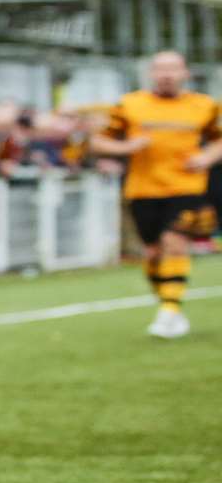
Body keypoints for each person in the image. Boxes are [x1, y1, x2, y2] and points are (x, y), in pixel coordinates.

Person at [92, 50, 222, 339]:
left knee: (174, 242)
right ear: (151, 73)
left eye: (173, 69)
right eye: (160, 69)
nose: (166, 74)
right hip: (143, 188)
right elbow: (99, 141)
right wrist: (126, 148)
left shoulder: (204, 106)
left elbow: (218, 140)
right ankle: (169, 304)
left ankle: (169, 312)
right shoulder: (130, 105)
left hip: (187, 186)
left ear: (186, 73)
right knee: (152, 252)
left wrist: (207, 157)